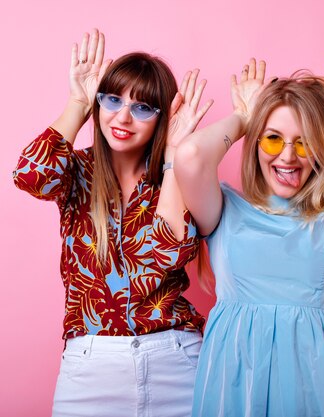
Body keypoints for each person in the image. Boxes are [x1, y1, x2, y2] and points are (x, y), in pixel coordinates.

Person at [172, 58, 324, 416]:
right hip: (237, 391)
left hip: (323, 392)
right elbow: (189, 155)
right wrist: (246, 117)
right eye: (273, 139)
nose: (288, 156)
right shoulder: (224, 210)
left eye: (305, 143)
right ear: (256, 141)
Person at [13, 29, 212, 417]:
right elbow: (30, 176)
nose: (123, 117)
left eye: (142, 108)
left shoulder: (176, 178)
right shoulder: (76, 171)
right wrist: (78, 102)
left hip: (177, 360)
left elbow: (170, 253)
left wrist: (173, 157)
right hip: (90, 367)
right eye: (113, 99)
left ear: (162, 119)